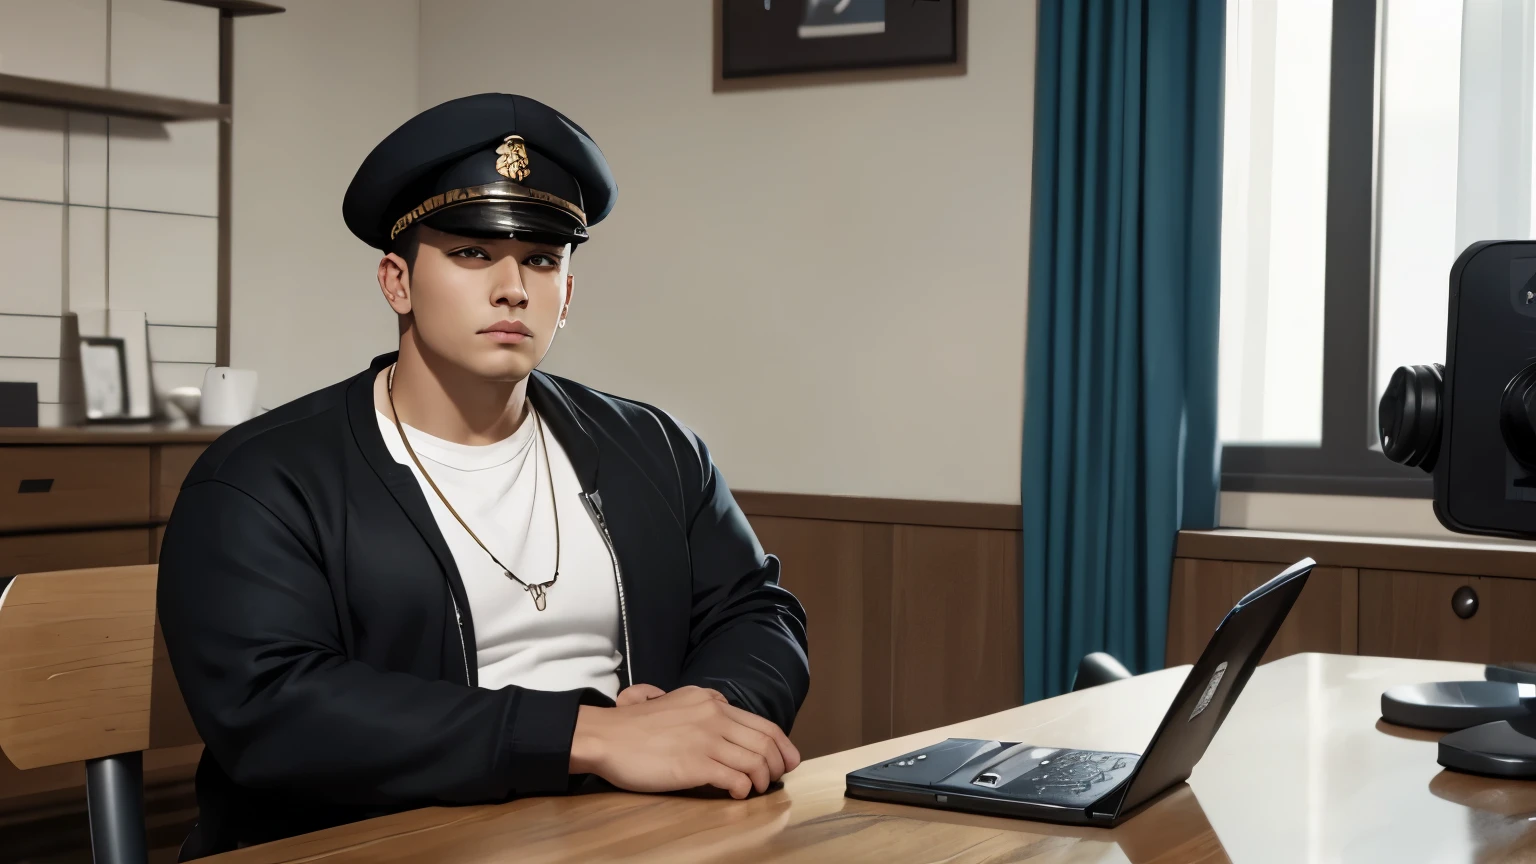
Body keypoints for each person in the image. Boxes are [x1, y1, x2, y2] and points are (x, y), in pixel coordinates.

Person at [157, 93, 811, 857]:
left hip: (635, 832)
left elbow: (757, 614)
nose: (514, 287)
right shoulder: (262, 478)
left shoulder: (657, 448)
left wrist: (701, 726)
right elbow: (274, 709)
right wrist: (587, 736)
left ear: (568, 294)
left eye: (541, 259)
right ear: (396, 281)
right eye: (472, 253)